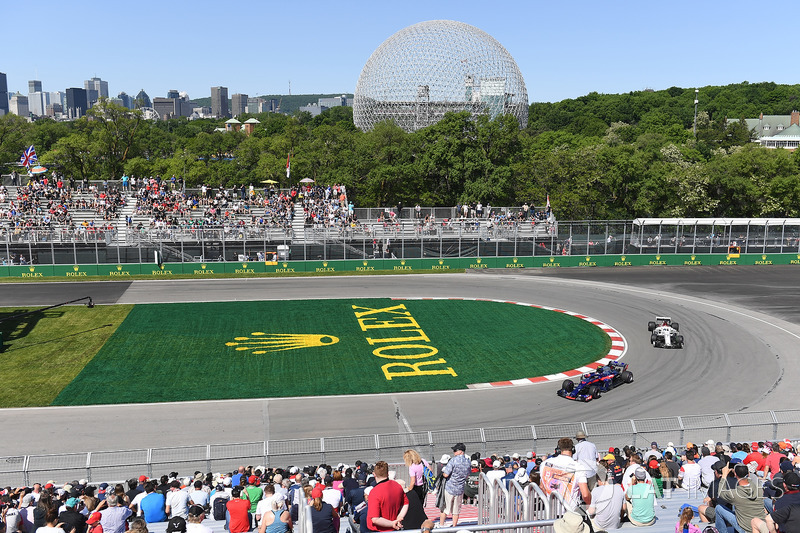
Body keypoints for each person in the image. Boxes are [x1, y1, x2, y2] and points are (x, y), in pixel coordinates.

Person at [540, 437, 592, 509]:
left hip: (551, 510)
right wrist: (589, 505)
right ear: (573, 450)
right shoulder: (578, 467)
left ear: (558, 450)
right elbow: (585, 495)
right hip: (570, 512)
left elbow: (542, 487)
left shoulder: (545, 463)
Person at [715, 463, 764, 533]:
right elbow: (748, 481)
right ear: (748, 474)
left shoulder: (735, 494)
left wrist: (724, 475)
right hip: (761, 526)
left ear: (735, 475)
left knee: (718, 508)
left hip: (746, 529)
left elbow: (720, 492)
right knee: (736, 507)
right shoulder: (759, 489)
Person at [367, 461, 408, 532]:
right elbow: (406, 503)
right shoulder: (397, 485)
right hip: (394, 528)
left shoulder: (374, 492)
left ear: (374, 474)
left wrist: (392, 524)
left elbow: (375, 519)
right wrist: (400, 517)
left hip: (380, 530)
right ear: (388, 473)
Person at [439, 443, 470, 527]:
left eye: (455, 450)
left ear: (460, 451)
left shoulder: (453, 460)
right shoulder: (468, 461)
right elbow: (467, 475)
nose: (453, 452)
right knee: (456, 510)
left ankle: (441, 524)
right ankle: (454, 526)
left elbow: (446, 474)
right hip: (460, 488)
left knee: (445, 508)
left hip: (450, 487)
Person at [587, 466, 624, 530]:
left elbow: (591, 512)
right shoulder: (619, 488)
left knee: (587, 512)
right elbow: (624, 508)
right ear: (607, 479)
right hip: (615, 525)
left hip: (600, 526)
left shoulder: (595, 491)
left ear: (598, 480)